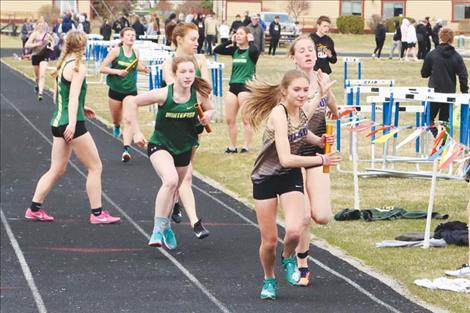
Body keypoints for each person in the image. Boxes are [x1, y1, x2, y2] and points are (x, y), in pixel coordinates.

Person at [242, 69, 340, 300]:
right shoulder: (279, 113)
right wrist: (321, 158)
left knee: (295, 230)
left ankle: (287, 258)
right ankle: (269, 278)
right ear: (284, 91)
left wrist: (319, 140)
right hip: (265, 177)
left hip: (289, 176)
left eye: (306, 90)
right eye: (297, 90)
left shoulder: (303, 109)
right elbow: (286, 158)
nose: (303, 94)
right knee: (269, 242)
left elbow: (302, 131)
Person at [25, 31, 121, 225]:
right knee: (95, 167)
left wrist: (81, 109)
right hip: (72, 125)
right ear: (83, 46)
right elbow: (74, 96)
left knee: (56, 169)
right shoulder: (78, 67)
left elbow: (58, 97)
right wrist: (72, 122)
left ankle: (34, 209)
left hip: (57, 122)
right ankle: (97, 213)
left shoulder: (63, 66)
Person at [123, 55, 214, 249]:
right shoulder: (164, 94)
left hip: (184, 148)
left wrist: (207, 116)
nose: (188, 76)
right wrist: (137, 132)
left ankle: (166, 228)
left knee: (174, 190)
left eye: (191, 71)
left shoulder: (198, 95)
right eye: (183, 72)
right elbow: (131, 102)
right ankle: (157, 230)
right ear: (174, 74)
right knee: (171, 181)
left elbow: (211, 109)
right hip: (160, 145)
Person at [287, 36, 339, 286]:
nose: (308, 53)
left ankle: (295, 224)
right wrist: (318, 97)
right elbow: (296, 123)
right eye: (302, 50)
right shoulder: (289, 84)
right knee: (305, 216)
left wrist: (327, 96)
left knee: (323, 216)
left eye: (311, 49)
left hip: (318, 154)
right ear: (293, 57)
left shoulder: (323, 80)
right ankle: (302, 263)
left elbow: (336, 112)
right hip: (294, 154)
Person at [161, 22, 211, 239]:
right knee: (184, 176)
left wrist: (206, 113)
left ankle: (172, 207)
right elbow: (176, 92)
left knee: (182, 175)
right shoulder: (169, 63)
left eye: (198, 38)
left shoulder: (200, 60)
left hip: (193, 126)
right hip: (172, 125)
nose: (197, 42)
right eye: (193, 38)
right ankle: (195, 222)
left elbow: (207, 91)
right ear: (179, 39)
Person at [100, 27, 150, 162]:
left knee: (128, 120)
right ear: (122, 38)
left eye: (133, 35)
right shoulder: (116, 51)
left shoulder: (136, 52)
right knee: (117, 119)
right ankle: (116, 126)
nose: (131, 37)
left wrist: (144, 69)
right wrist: (117, 72)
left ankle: (126, 150)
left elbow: (135, 66)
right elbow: (102, 68)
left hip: (131, 91)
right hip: (115, 91)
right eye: (128, 35)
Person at [214, 26, 259, 153]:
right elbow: (217, 49)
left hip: (245, 87)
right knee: (230, 119)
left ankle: (245, 147)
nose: (238, 36)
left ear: (247, 36)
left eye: (241, 34)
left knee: (246, 119)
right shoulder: (235, 50)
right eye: (236, 34)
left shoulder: (251, 50)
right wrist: (229, 40)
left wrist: (251, 41)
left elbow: (255, 51)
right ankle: (232, 146)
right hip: (233, 86)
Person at [421, 27, 468, 137]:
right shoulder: (456, 56)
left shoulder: (432, 54)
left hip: (434, 92)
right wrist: (464, 90)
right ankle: (442, 143)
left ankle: (436, 136)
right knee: (445, 121)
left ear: (439, 37)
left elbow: (424, 73)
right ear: (452, 39)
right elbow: (463, 75)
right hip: (449, 92)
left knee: (427, 118)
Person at [25, 20, 54, 101]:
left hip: (44, 55)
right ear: (37, 26)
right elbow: (27, 44)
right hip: (35, 55)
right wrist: (36, 44)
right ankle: (37, 85)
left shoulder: (47, 35)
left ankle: (41, 93)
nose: (41, 27)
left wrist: (51, 47)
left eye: (42, 25)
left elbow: (53, 41)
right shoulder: (34, 34)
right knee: (37, 76)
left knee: (42, 75)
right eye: (39, 25)